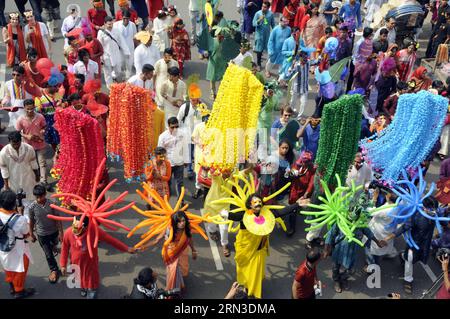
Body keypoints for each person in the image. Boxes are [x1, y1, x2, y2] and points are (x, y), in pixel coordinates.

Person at [219, 194, 305, 298]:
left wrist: (297, 205)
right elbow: (235, 216)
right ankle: (245, 286)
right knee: (245, 271)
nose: (258, 203)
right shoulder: (245, 215)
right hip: (245, 250)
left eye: (259, 201)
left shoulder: (267, 215)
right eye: (255, 202)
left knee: (255, 272)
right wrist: (226, 214)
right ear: (249, 205)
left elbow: (280, 212)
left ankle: (252, 289)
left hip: (258, 250)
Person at [60, 215, 136, 299]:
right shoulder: (68, 232)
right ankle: (83, 288)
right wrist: (63, 264)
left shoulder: (94, 230)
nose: (76, 233)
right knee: (79, 281)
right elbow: (65, 248)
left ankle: (91, 291)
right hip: (76, 265)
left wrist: (126, 248)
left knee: (92, 287)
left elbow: (110, 240)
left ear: (86, 227)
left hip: (91, 266)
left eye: (79, 231)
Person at [382, 196, 439, 294]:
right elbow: (404, 228)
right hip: (414, 244)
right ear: (425, 207)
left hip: (425, 244)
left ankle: (402, 256)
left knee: (415, 259)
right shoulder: (416, 215)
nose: (433, 211)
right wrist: (388, 238)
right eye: (431, 209)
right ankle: (408, 280)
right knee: (410, 259)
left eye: (435, 209)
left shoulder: (435, 215)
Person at [0, 190, 35, 299]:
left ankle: (12, 286)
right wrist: (20, 214)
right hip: (18, 249)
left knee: (8, 267)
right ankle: (19, 291)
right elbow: (26, 233)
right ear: (13, 204)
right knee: (20, 269)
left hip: (3, 247)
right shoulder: (20, 219)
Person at [28, 184, 63, 284]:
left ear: (45, 194)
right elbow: (31, 221)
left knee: (54, 246)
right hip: (41, 234)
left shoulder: (52, 203)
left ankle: (54, 248)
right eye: (37, 197)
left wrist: (61, 233)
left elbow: (58, 220)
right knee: (48, 254)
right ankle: (54, 270)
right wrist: (31, 233)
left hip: (54, 232)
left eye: (41, 196)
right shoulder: (32, 207)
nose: (39, 199)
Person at [15, 99, 48, 188]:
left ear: (34, 107)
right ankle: (32, 180)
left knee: (42, 162)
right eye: (27, 109)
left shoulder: (40, 117)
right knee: (29, 163)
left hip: (40, 143)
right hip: (28, 145)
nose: (30, 111)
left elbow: (44, 126)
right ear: (24, 108)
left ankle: (43, 181)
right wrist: (26, 136)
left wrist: (43, 130)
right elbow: (18, 132)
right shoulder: (20, 119)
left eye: (31, 109)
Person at [0, 131, 39, 203]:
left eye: (18, 143)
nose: (16, 146)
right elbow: (4, 170)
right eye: (13, 144)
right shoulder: (3, 152)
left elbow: (34, 163)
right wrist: (6, 185)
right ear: (9, 141)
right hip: (13, 180)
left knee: (30, 197)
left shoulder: (29, 148)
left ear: (21, 140)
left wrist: (37, 175)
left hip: (28, 178)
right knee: (16, 200)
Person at [365, 188, 398, 268]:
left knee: (370, 249)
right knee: (379, 252)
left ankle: (370, 266)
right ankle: (376, 264)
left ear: (387, 197)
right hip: (387, 233)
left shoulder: (386, 210)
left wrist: (374, 198)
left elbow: (370, 211)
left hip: (377, 233)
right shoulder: (397, 208)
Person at [157, 117, 190, 199]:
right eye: (172, 127)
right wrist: (161, 163)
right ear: (168, 126)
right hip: (168, 163)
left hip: (179, 163)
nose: (175, 129)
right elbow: (160, 151)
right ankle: (166, 199)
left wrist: (186, 160)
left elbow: (185, 147)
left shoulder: (182, 134)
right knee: (167, 182)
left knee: (179, 183)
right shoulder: (162, 136)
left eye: (176, 127)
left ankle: (181, 202)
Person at [177, 84, 204, 181]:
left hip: (198, 136)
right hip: (187, 135)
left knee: (196, 153)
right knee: (188, 153)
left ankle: (197, 170)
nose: (194, 102)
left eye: (196, 100)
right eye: (193, 100)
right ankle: (189, 170)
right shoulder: (185, 107)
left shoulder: (202, 107)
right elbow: (178, 119)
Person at [97, 16, 131, 88]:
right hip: (106, 55)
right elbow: (99, 46)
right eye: (109, 24)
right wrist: (101, 58)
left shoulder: (116, 30)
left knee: (118, 71)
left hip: (116, 54)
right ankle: (110, 88)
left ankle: (115, 78)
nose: (110, 26)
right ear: (105, 24)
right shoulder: (101, 33)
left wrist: (126, 51)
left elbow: (122, 41)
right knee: (107, 73)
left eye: (111, 24)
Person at [287, 150, 316, 234]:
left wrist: (307, 193)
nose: (304, 163)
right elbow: (291, 173)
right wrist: (292, 173)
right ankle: (291, 227)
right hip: (295, 189)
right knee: (292, 208)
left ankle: (298, 210)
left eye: (306, 162)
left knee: (300, 205)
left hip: (304, 191)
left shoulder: (312, 168)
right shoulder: (297, 164)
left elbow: (311, 182)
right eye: (303, 161)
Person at [35, 79, 64, 152]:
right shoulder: (40, 97)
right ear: (48, 86)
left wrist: (61, 104)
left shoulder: (57, 94)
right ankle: (57, 152)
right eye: (54, 86)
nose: (56, 88)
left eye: (56, 86)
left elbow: (63, 104)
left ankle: (59, 153)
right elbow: (37, 110)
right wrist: (40, 108)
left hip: (58, 119)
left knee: (59, 138)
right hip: (47, 120)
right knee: (52, 139)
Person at [113, 10, 137, 80]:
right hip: (120, 49)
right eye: (124, 18)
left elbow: (135, 37)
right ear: (121, 18)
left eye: (127, 18)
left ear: (129, 18)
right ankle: (118, 78)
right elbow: (114, 37)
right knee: (120, 64)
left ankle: (128, 80)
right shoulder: (116, 25)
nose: (125, 20)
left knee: (129, 65)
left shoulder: (132, 25)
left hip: (130, 48)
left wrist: (136, 47)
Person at [252, 1, 275, 69]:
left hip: (267, 35)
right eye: (262, 6)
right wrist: (259, 20)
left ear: (268, 8)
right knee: (259, 49)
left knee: (266, 49)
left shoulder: (270, 14)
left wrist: (275, 33)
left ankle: (268, 66)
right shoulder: (258, 13)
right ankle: (259, 64)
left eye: (265, 7)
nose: (263, 8)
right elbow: (253, 23)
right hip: (259, 34)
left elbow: (273, 24)